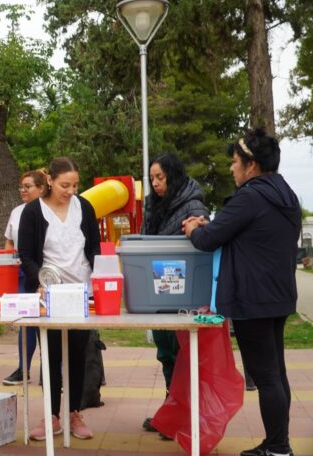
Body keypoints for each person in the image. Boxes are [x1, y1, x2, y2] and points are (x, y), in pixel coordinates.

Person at [183, 129, 301, 456]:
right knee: (276, 374)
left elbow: (209, 240)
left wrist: (192, 229)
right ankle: (278, 443)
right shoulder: (286, 194)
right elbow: (243, 232)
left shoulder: (250, 196)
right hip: (278, 295)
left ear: (251, 165)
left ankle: (278, 447)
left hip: (252, 299)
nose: (231, 168)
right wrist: (212, 226)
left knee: (266, 377)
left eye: (235, 162)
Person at [18, 157, 100, 440]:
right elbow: (26, 254)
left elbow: (94, 247)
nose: (71, 191)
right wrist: (39, 282)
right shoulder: (33, 211)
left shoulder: (84, 207)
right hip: (50, 294)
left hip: (81, 292)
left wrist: (100, 278)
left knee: (78, 354)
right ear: (50, 181)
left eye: (75, 185)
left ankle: (75, 412)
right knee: (51, 355)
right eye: (65, 185)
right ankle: (51, 415)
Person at [141, 152, 209, 435]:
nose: (156, 183)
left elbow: (203, 242)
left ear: (174, 175)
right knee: (166, 353)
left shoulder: (193, 204)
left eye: (161, 177)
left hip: (184, 294)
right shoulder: (152, 204)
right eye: (152, 178)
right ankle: (172, 411)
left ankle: (183, 416)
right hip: (158, 291)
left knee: (182, 357)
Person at [1, 169, 47, 386]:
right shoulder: (17, 212)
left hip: (46, 272)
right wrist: (9, 260)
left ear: (42, 188)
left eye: (28, 187)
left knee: (48, 322)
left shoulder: (49, 209)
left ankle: (51, 370)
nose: (23, 191)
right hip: (22, 272)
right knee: (25, 321)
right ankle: (23, 369)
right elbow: (9, 240)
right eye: (21, 187)